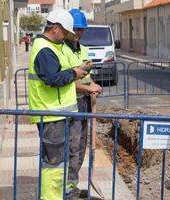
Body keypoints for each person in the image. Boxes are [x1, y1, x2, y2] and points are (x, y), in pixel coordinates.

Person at [28, 8, 90, 200]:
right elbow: (53, 78)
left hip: (57, 114)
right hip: (50, 114)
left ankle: (57, 194)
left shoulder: (52, 47)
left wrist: (74, 71)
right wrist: (74, 74)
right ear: (55, 28)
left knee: (57, 163)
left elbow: (58, 71)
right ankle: (50, 197)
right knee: (53, 163)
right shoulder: (44, 49)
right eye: (64, 32)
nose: (66, 37)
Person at [62, 8, 102, 198]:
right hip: (72, 103)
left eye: (81, 30)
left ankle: (73, 183)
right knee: (72, 145)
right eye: (75, 29)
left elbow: (87, 78)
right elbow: (67, 81)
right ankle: (67, 187)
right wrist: (87, 88)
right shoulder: (62, 51)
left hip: (85, 103)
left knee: (81, 144)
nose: (78, 33)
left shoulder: (83, 49)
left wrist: (94, 85)